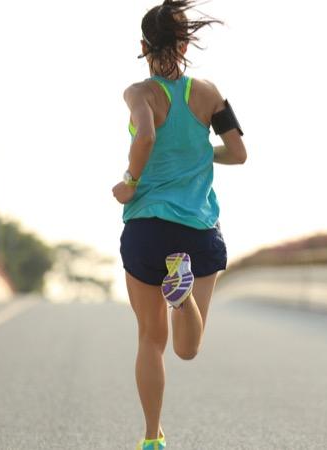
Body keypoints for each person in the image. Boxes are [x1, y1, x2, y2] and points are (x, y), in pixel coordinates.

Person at [111, 1, 247, 448]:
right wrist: (202, 153)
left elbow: (146, 135)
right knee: (189, 347)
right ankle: (183, 295)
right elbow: (239, 152)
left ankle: (152, 438)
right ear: (187, 44)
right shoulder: (209, 93)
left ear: (143, 46)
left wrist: (131, 181)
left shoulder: (139, 93)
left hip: (148, 227)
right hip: (198, 229)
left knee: (151, 340)